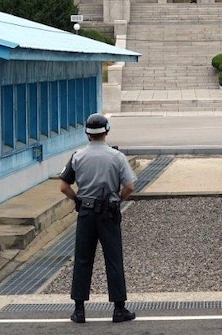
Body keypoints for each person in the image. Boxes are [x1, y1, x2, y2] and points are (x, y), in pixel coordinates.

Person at [59, 113, 137, 323]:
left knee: (83, 259)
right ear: (107, 131)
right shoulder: (117, 157)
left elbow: (63, 186)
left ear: (87, 133)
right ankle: (119, 309)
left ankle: (79, 310)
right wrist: (117, 199)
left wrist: (77, 200)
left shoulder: (77, 156)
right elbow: (130, 186)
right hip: (109, 212)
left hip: (86, 211)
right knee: (113, 259)